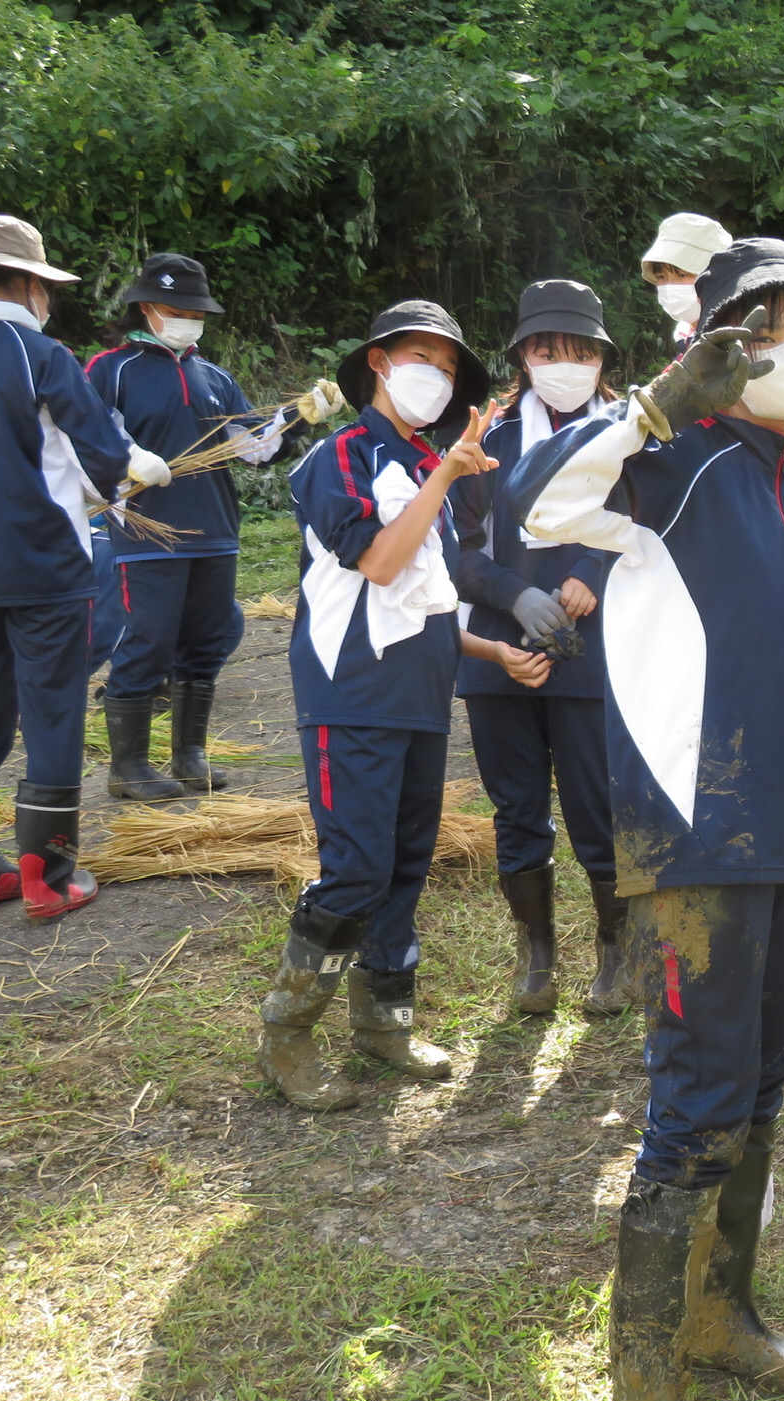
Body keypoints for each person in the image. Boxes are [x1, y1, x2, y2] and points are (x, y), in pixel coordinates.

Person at [505, 237, 784, 1401]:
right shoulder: (673, 461)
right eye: (766, 324)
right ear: (713, 341)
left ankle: (721, 1313)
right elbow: (534, 512)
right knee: (694, 1104)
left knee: (762, 1087)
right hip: (696, 839)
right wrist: (652, 406)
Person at [256, 300, 551, 1113]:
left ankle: (384, 1022)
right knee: (353, 869)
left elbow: (427, 605)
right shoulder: (340, 457)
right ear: (380, 363)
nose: (438, 373)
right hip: (350, 697)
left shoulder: (432, 466)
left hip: (421, 700)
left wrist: (492, 652)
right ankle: (286, 1033)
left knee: (402, 866)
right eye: (422, 355)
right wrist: (448, 474)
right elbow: (380, 564)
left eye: (450, 363)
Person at [0, 214, 175, 922]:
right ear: (28, 283)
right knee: (52, 706)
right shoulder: (38, 352)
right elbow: (100, 450)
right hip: (45, 564)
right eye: (46, 286)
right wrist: (138, 466)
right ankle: (49, 875)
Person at [86, 253, 344, 801]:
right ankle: (127, 766)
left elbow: (252, 447)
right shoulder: (111, 370)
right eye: (177, 308)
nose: (188, 318)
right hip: (145, 533)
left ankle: (189, 755)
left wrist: (301, 414)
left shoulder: (215, 377)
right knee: (148, 641)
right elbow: (87, 437)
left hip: (215, 530)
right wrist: (130, 458)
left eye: (195, 310)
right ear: (148, 308)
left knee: (204, 642)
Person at [449, 279, 629, 1016]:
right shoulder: (486, 441)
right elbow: (454, 548)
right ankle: (536, 957)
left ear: (599, 358)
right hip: (499, 651)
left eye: (579, 351)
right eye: (548, 349)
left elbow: (643, 521)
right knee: (517, 809)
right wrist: (511, 595)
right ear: (523, 356)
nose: (563, 362)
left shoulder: (626, 431)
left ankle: (618, 952)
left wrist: (592, 571)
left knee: (596, 804)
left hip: (591, 648)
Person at [640, 212, 732, 345]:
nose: (670, 286)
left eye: (683, 275)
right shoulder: (684, 338)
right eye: (661, 276)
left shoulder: (742, 340)